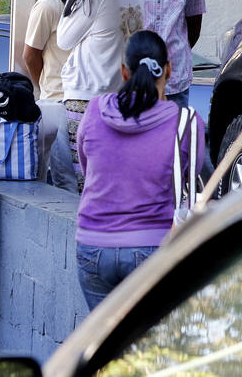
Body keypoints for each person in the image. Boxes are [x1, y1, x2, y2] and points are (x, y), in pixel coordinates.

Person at [75, 31, 193, 310]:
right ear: (169, 69)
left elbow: (87, 168)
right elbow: (193, 184)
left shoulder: (94, 111)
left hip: (93, 248)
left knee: (106, 345)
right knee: (146, 346)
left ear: (124, 72)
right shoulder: (185, 123)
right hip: (153, 247)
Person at [57, 0, 143, 192]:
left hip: (87, 97)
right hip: (124, 95)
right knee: (116, 175)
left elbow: (63, 38)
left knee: (89, 177)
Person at [23, 0, 81, 191]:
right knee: (65, 178)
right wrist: (45, 87)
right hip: (58, 102)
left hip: (78, 101)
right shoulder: (49, 3)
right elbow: (30, 54)